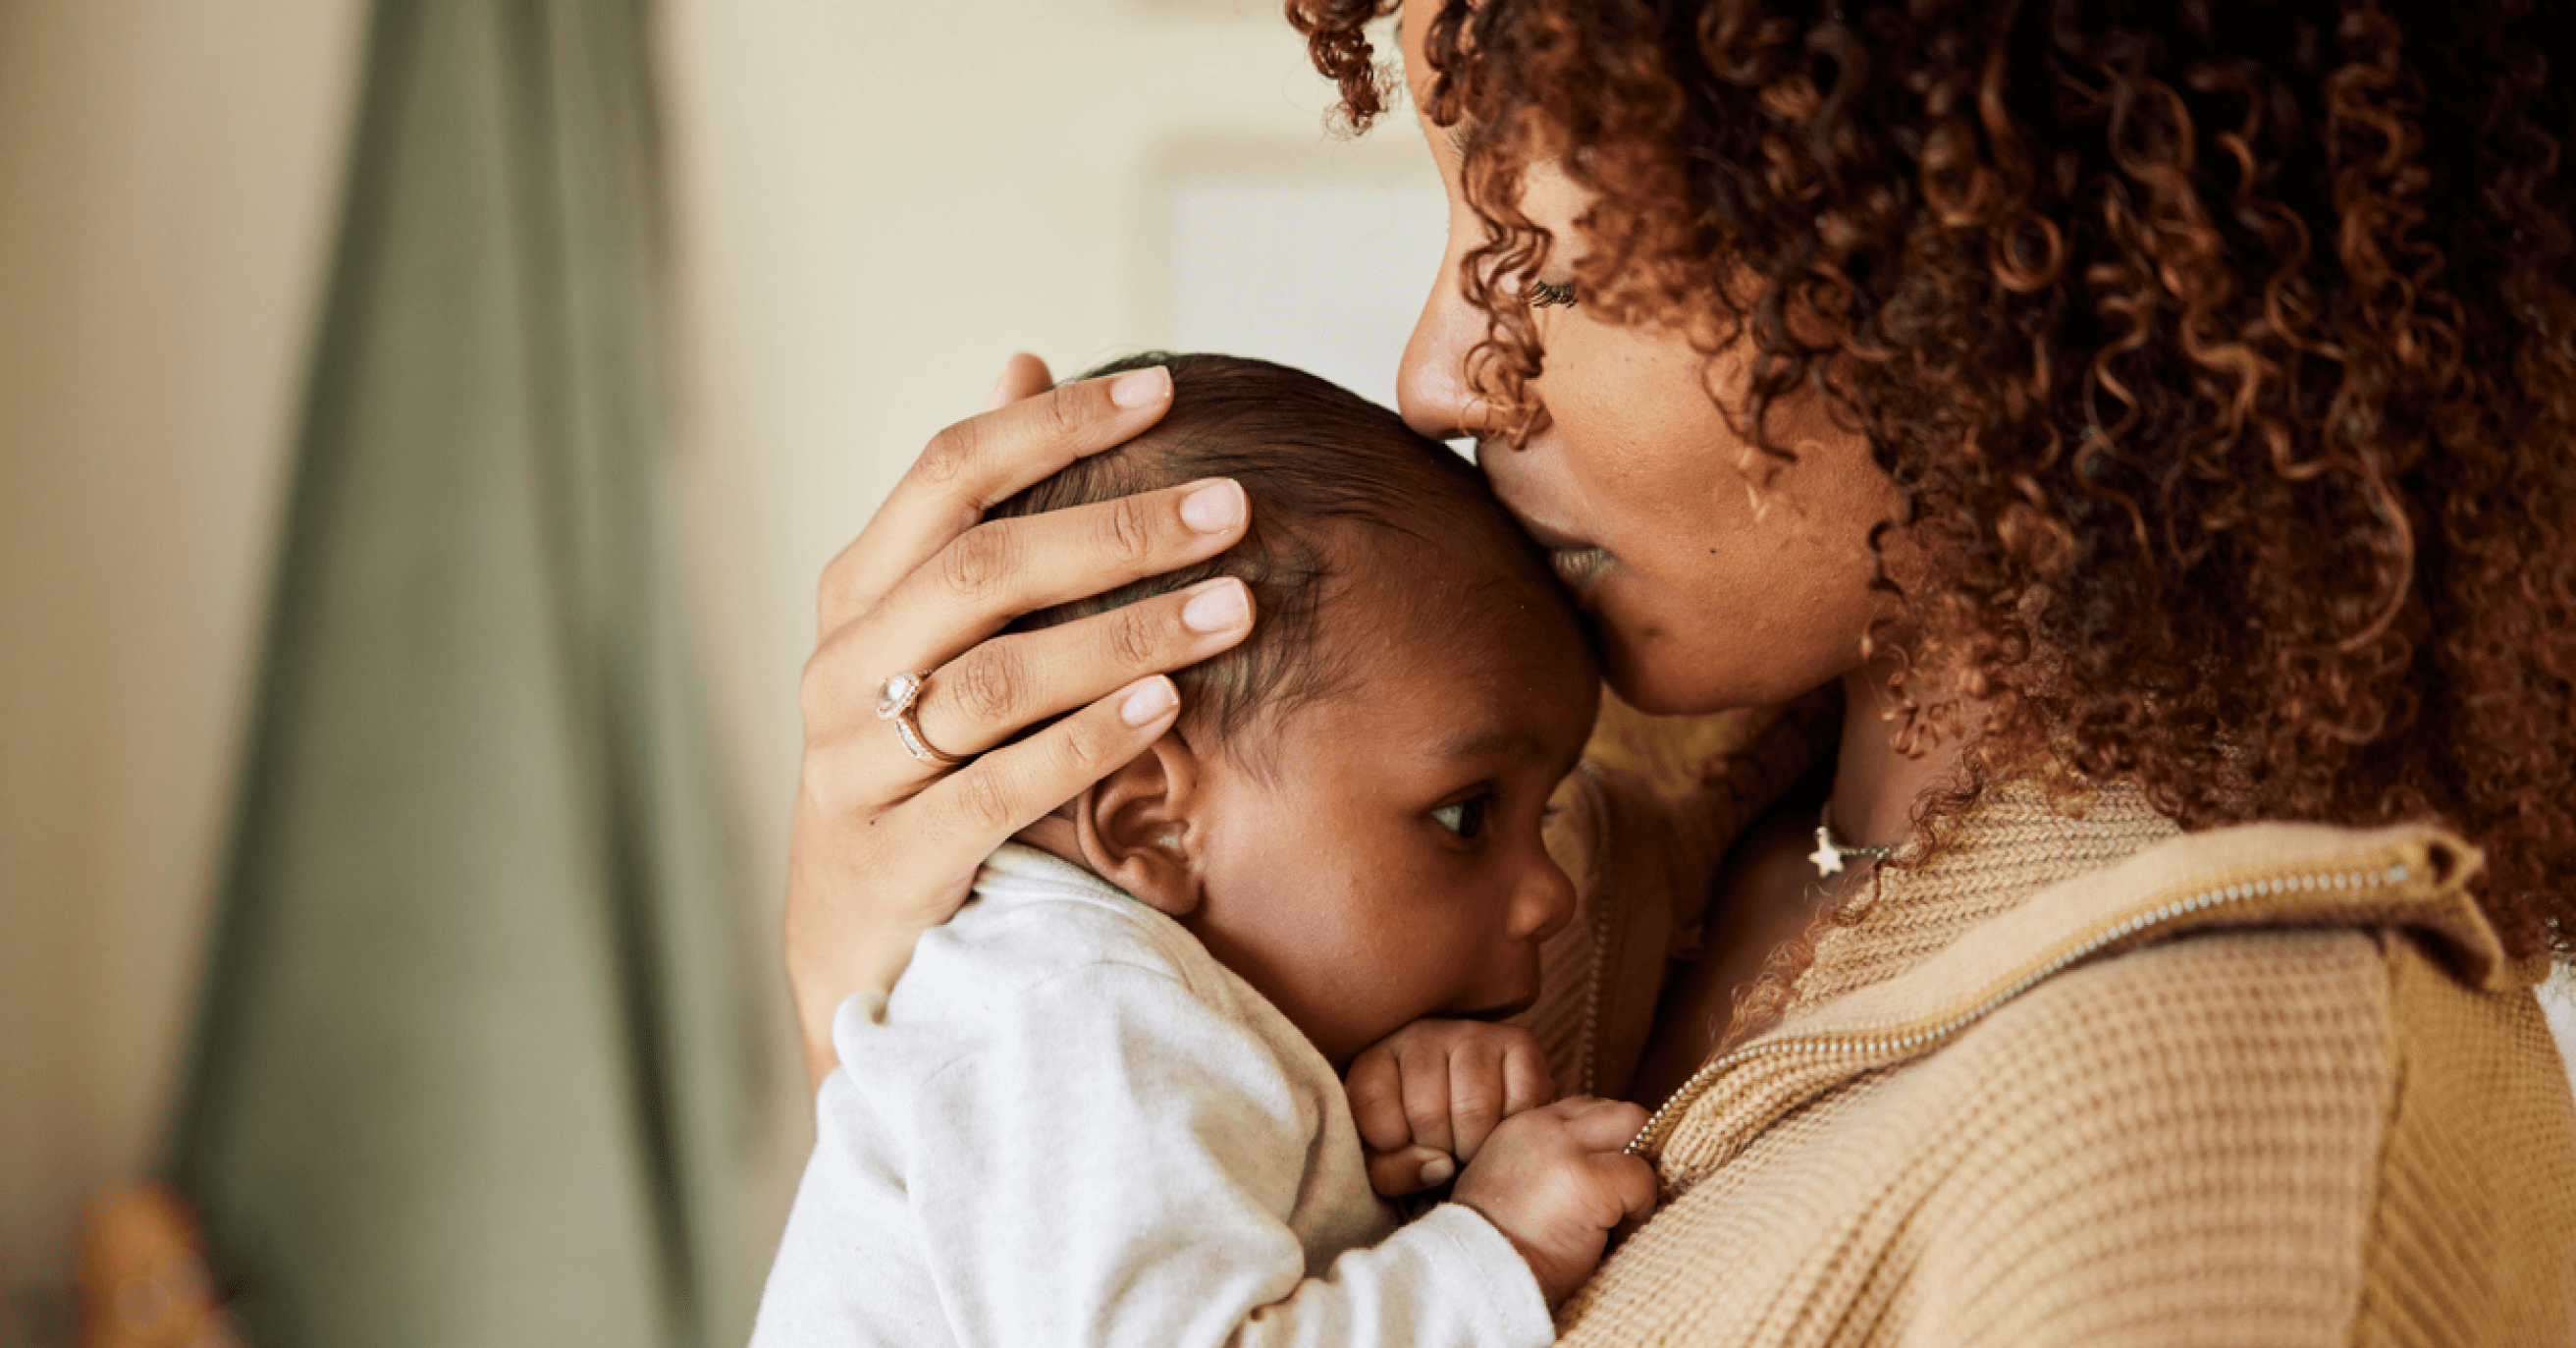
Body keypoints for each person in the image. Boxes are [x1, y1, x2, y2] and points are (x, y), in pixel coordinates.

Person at [782, 1, 2576, 1342]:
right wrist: (902, 999)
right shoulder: (1600, 864)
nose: (1439, 370)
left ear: (1954, 238)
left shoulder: (2226, 1147)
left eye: (1533, 252)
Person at [752, 354, 1655, 1348]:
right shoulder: (1073, 1003)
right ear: (1148, 821)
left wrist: (1363, 1134)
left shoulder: (1110, 1007)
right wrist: (1493, 1249)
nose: (1552, 896)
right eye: (1466, 815)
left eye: (1548, 814)